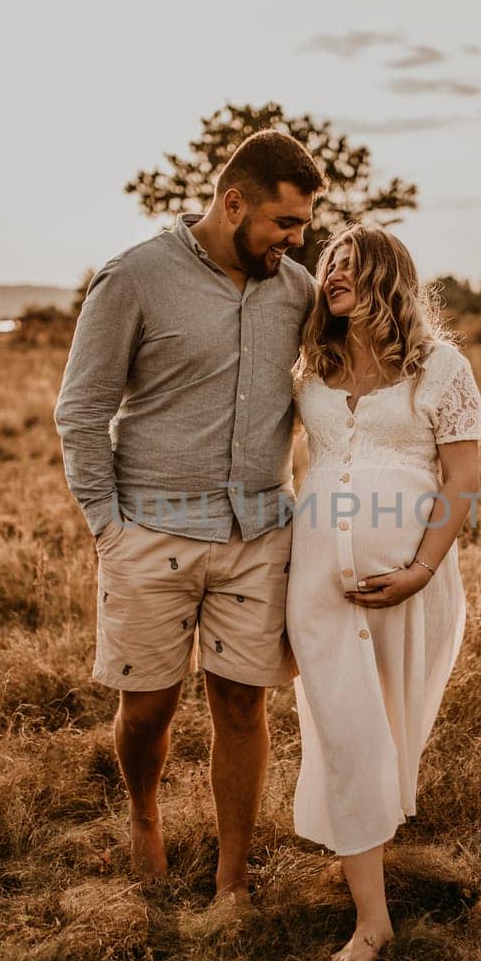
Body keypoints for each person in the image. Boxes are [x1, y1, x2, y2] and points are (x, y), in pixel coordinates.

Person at [53, 131, 325, 906]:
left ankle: (232, 875)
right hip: (151, 532)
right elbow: (82, 411)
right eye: (284, 222)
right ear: (232, 202)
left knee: (242, 702)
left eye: (303, 226)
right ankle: (143, 814)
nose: (296, 240)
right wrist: (107, 525)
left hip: (259, 533)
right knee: (148, 707)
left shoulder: (297, 291)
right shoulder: (135, 278)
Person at [286, 224, 481, 961]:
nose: (332, 273)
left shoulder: (440, 368)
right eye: (328, 263)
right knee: (348, 735)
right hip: (318, 586)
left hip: (413, 587)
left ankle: (368, 854)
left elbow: (462, 479)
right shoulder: (310, 371)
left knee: (389, 735)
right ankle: (374, 923)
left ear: (387, 276)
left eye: (349, 263)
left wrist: (421, 569)